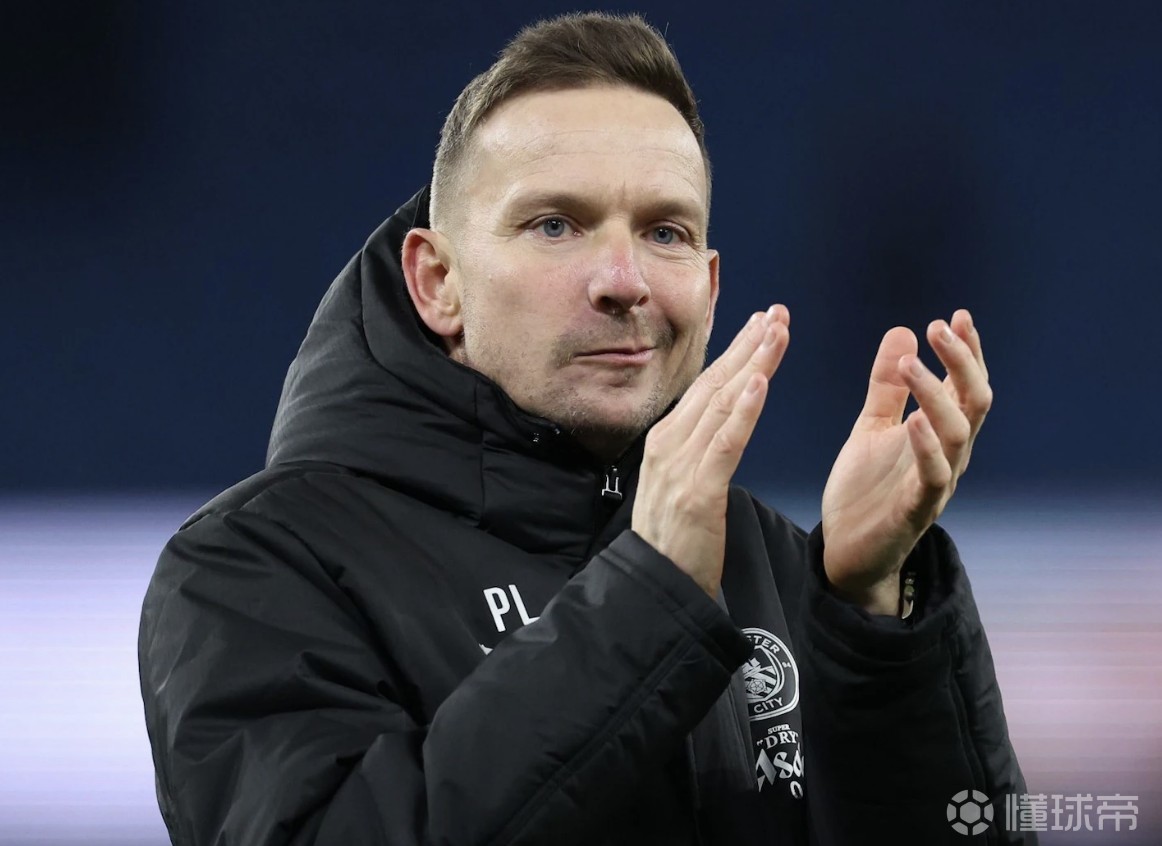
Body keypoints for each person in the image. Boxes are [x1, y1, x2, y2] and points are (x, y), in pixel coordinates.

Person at [138, 12, 1032, 845]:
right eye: (556, 225)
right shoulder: (256, 567)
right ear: (438, 283)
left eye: (666, 233)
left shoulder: (779, 566)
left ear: (710, 289)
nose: (623, 280)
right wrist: (649, 598)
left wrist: (873, 621)